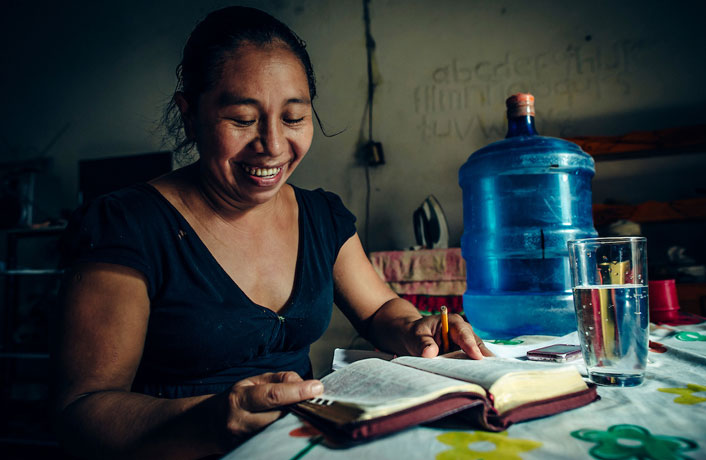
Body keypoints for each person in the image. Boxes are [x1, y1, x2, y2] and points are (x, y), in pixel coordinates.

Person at [53, 6, 491, 459]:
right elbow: (81, 411)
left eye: (294, 118)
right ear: (190, 115)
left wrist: (416, 329)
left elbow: (379, 308)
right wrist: (205, 420)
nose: (274, 146)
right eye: (243, 119)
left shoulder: (321, 215)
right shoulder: (127, 225)